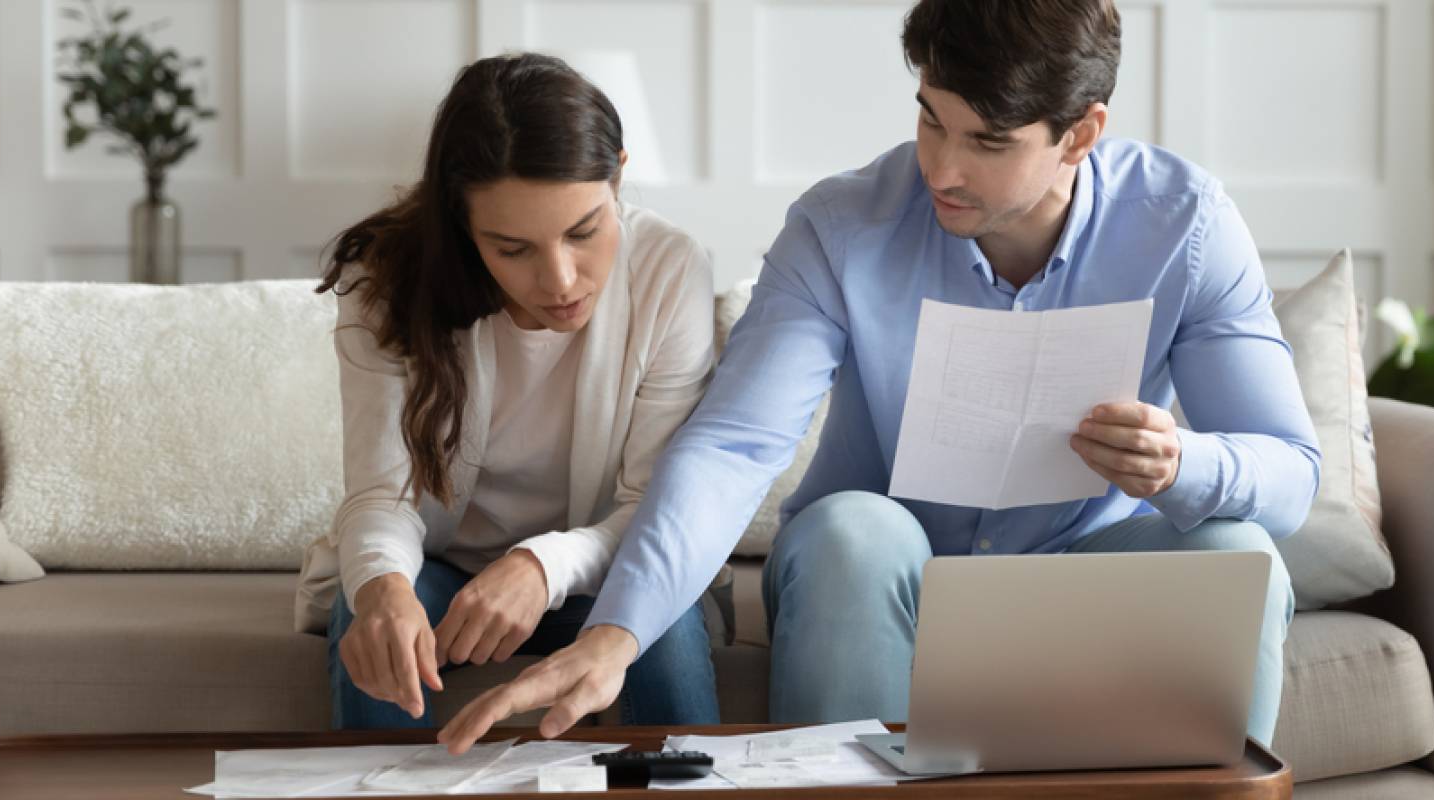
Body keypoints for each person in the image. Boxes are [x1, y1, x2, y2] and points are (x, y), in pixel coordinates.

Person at [439, 0, 1320, 752]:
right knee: (852, 532)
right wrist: (616, 634)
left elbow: (1289, 476)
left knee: (1240, 556)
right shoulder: (840, 226)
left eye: (987, 141)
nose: (941, 167)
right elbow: (733, 444)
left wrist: (1182, 464)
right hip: (875, 578)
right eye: (932, 117)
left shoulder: (1185, 226)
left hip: (1084, 576)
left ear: (1081, 134)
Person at [293, 52, 720, 731]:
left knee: (658, 626)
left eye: (584, 232)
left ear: (619, 177)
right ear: (464, 228)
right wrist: (383, 589)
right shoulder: (386, 281)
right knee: (374, 620)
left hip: (602, 574)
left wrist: (539, 567)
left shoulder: (671, 270)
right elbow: (382, 495)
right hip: (440, 569)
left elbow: (655, 508)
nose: (560, 280)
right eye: (512, 249)